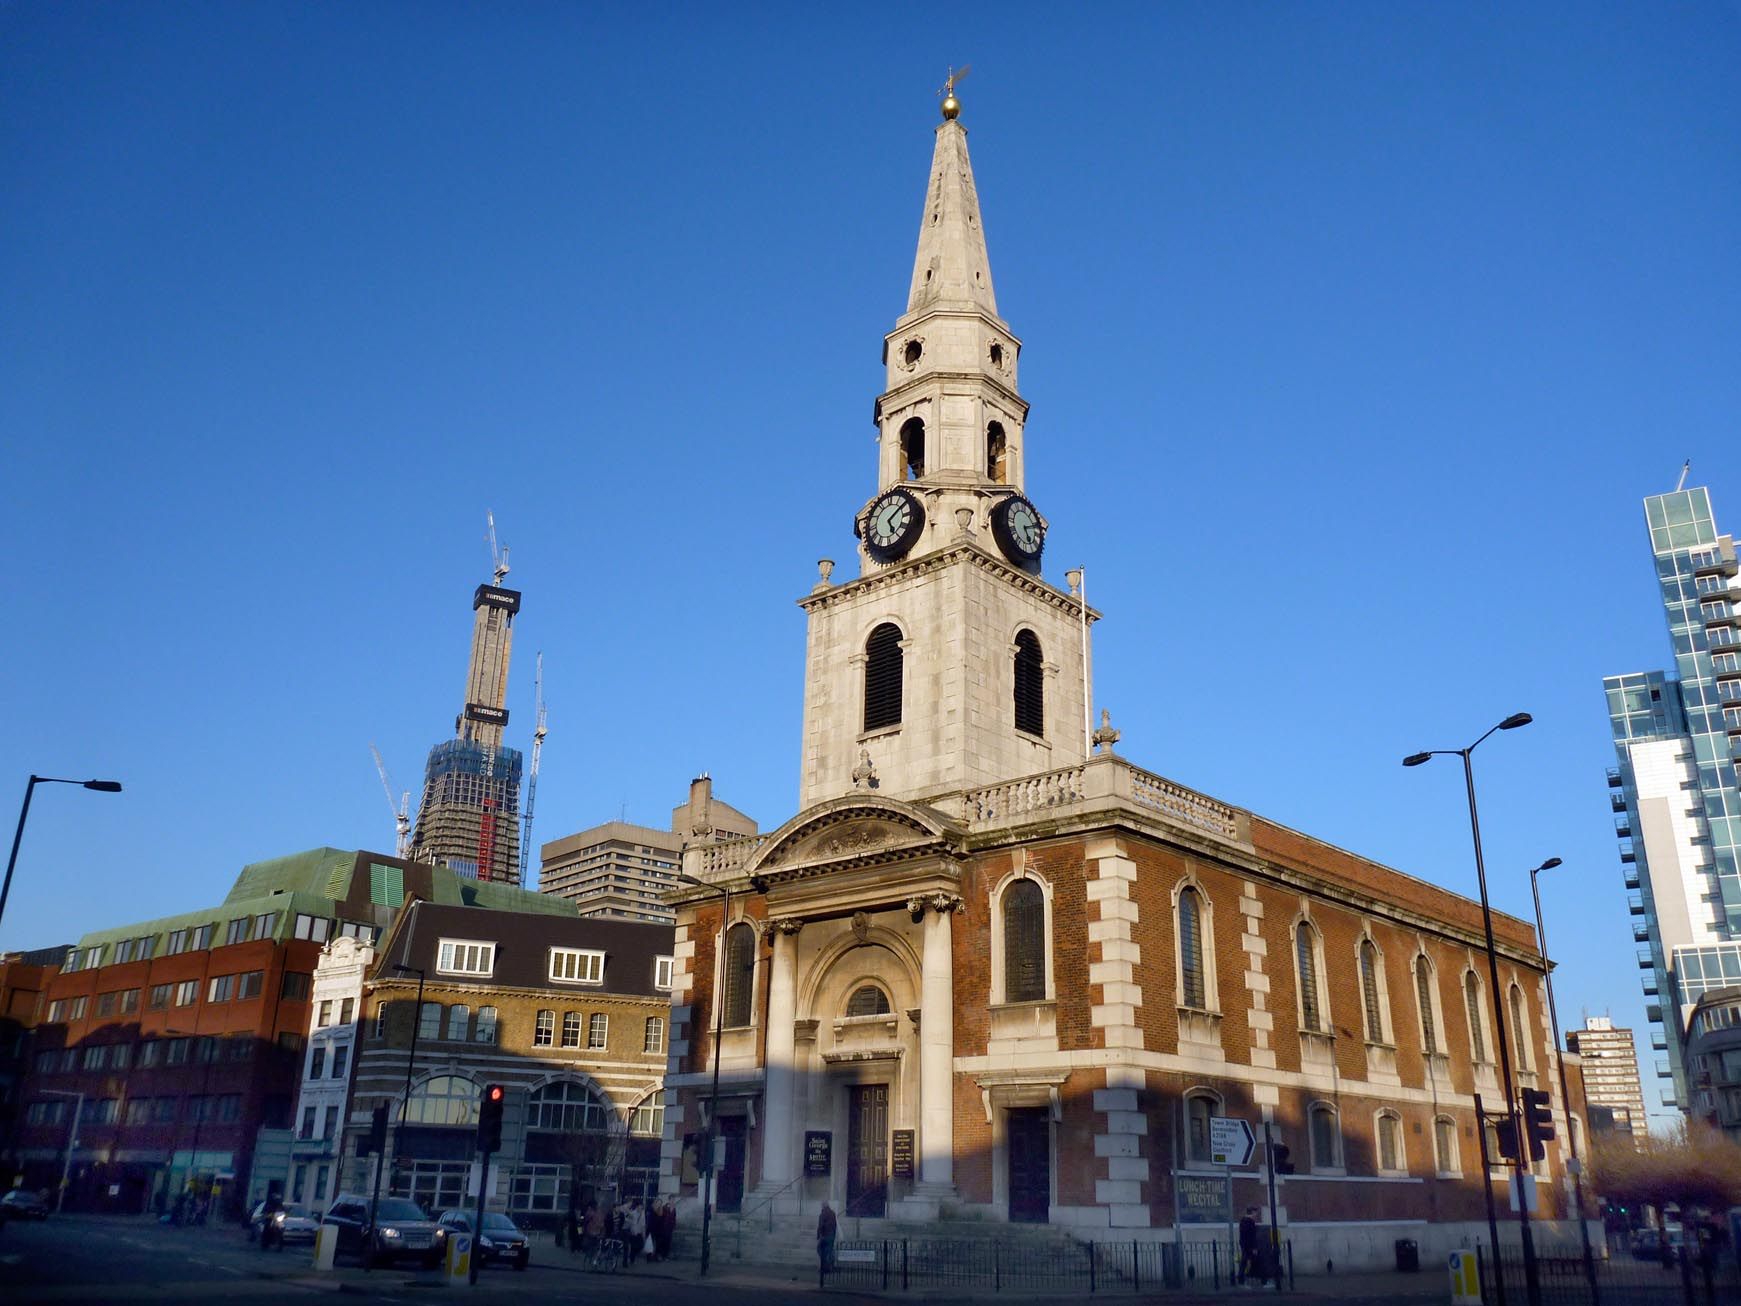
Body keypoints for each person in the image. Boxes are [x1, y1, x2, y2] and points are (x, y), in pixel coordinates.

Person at [1238, 1206, 1264, 1286]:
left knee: (1245, 1262)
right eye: (1255, 1213)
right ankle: (1262, 1280)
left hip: (1244, 1245)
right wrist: (1254, 1248)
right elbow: (1251, 1236)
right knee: (1256, 1261)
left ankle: (1243, 1279)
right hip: (1249, 1246)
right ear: (1252, 1212)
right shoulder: (1250, 1222)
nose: (1256, 1215)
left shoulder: (1243, 1221)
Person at [817, 1200, 838, 1275]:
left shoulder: (823, 1214)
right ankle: (830, 1267)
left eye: (822, 1205)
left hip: (825, 1235)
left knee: (820, 1249)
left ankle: (826, 1266)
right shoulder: (833, 1213)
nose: (821, 1206)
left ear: (823, 1205)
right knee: (829, 1250)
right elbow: (835, 1225)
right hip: (831, 1234)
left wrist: (819, 1236)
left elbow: (821, 1225)